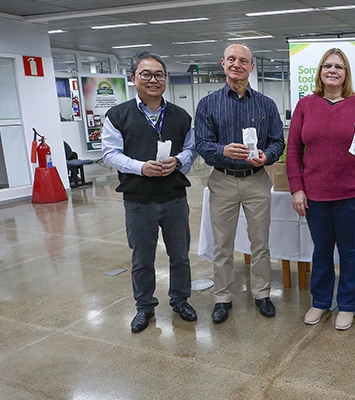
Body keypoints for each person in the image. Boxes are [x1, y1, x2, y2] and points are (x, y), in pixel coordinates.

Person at [286, 48, 355, 331]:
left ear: (346, 73)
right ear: (320, 72)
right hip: (314, 195)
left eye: (339, 67)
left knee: (349, 250)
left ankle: (348, 305)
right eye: (327, 66)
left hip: (351, 194)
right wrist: (296, 189)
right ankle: (320, 301)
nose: (332, 70)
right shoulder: (306, 105)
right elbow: (293, 151)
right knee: (321, 250)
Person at [102, 51, 197, 333]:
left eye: (159, 75)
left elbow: (191, 148)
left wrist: (178, 161)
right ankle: (144, 306)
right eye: (146, 74)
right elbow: (109, 154)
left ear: (165, 79)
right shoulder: (118, 115)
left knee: (180, 255)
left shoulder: (180, 115)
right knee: (142, 259)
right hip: (138, 201)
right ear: (134, 78)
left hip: (174, 198)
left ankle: (180, 300)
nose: (153, 80)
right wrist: (140, 167)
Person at [195, 43, 285, 324]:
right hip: (222, 180)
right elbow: (202, 144)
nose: (237, 64)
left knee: (260, 242)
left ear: (251, 67)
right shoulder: (208, 104)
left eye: (243, 60)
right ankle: (222, 297)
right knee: (222, 244)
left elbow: (278, 142)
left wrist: (267, 156)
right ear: (223, 63)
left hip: (256, 180)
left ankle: (262, 293)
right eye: (231, 59)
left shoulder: (266, 105)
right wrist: (222, 150)